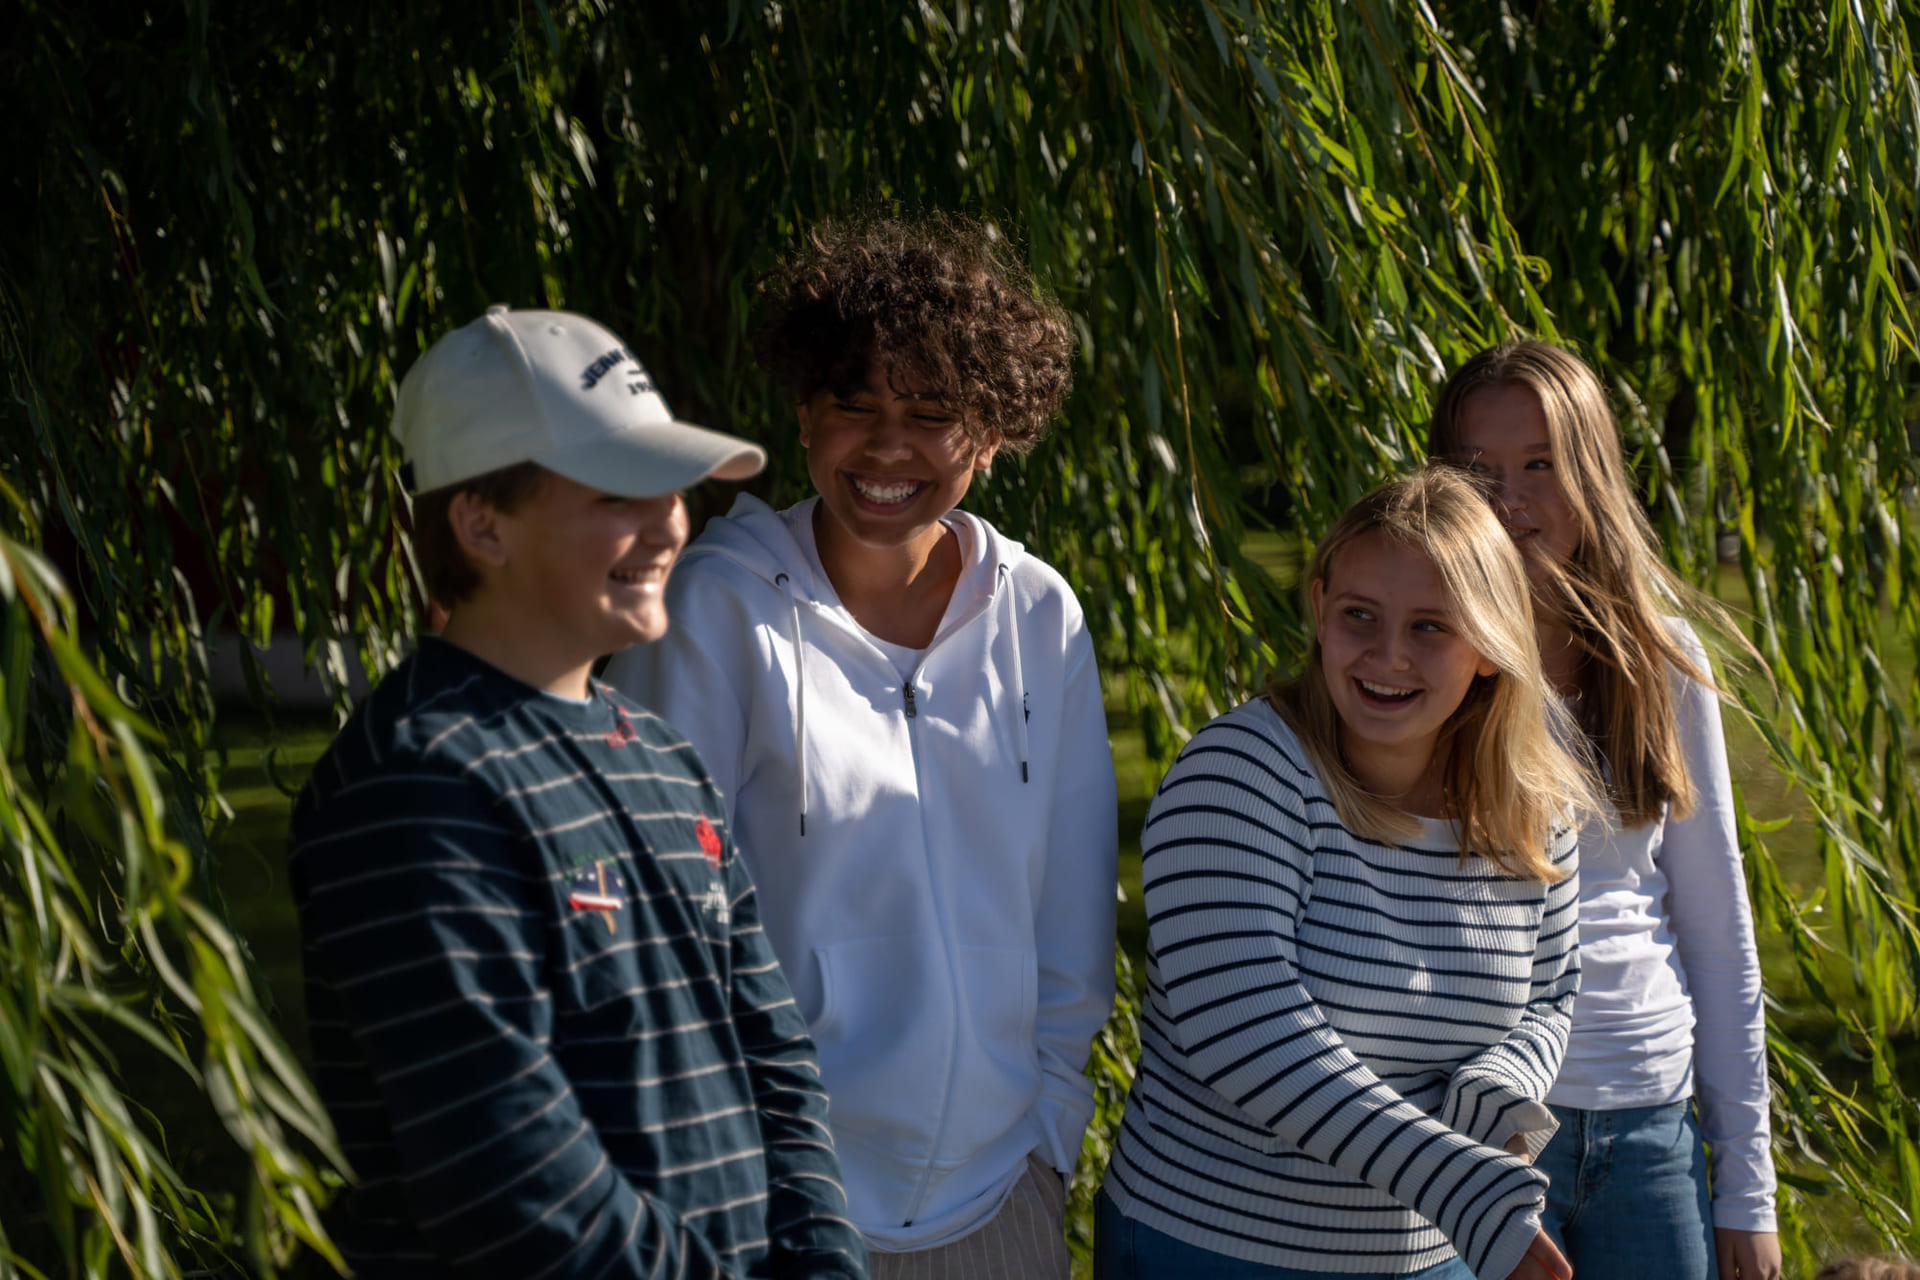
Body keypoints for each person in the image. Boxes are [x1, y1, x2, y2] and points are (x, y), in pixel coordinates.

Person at [288, 305, 868, 1279]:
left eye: (671, 489)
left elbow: (777, 1061)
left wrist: (822, 1262)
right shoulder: (416, 786)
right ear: (481, 523)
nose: (669, 523)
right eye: (617, 493)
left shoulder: (658, 752)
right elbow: (507, 1178)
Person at [606, 215, 1118, 1278]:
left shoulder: (1039, 615)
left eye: (933, 413)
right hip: (780, 1203)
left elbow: (1073, 908)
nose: (890, 445)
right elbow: (660, 917)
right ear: (805, 416)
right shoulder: (721, 610)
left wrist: (1051, 1134)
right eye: (857, 405)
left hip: (999, 1199)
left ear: (989, 437)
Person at [1096, 467, 1592, 1280]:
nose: (1387, 655)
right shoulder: (1239, 772)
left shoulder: (1535, 806)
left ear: (1493, 647)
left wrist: (1499, 1104)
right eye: (1360, 615)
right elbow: (1249, 1036)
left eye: (1432, 627)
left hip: (1437, 1255)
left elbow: (1553, 996)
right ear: (1320, 606)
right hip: (1219, 1249)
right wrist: (1461, 1184)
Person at [1430, 339, 1780, 1280]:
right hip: (1483, 1133)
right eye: (1479, 471)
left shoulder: (1657, 660)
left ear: (1592, 474)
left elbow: (1717, 926)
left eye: (1540, 464)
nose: (1510, 499)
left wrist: (1748, 1188)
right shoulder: (1420, 661)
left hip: (1650, 1130)